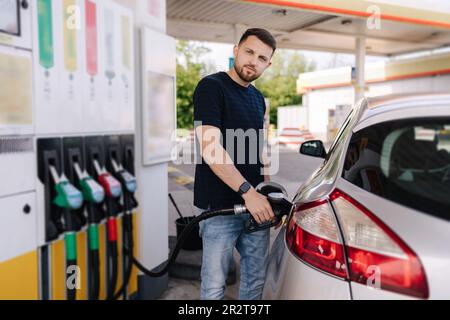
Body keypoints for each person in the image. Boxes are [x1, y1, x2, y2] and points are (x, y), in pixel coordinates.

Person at [193, 28, 277, 300]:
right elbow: (210, 148)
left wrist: (265, 195)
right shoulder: (211, 87)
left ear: (269, 64)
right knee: (214, 285)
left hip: (254, 207)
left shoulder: (258, 99)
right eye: (249, 52)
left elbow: (258, 151)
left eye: (262, 57)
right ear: (236, 50)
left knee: (254, 281)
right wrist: (248, 193)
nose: (254, 61)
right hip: (218, 207)